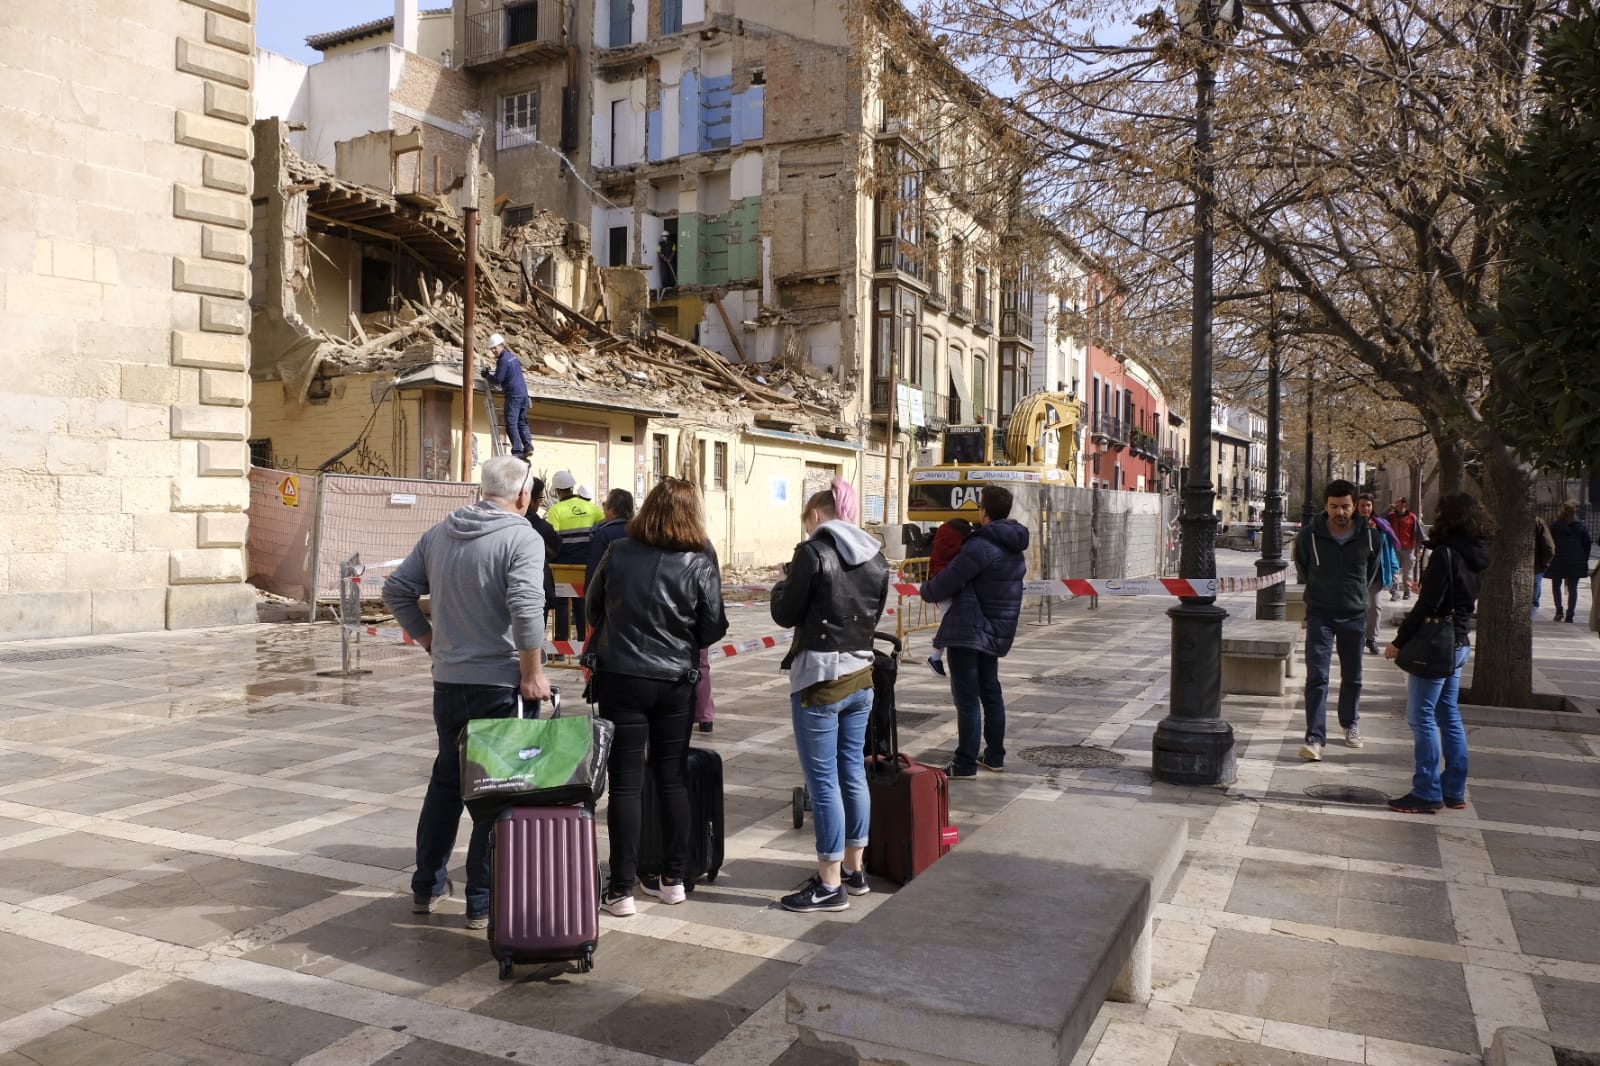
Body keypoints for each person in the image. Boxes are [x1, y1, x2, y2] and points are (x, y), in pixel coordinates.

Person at [382, 455, 551, 929]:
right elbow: (525, 607)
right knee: (496, 791)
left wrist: (431, 639)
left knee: (447, 784)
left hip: (450, 682)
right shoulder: (522, 536)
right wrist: (533, 672)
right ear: (522, 495)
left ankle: (427, 884)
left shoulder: (441, 532)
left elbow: (396, 590)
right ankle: (482, 899)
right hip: (500, 683)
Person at [586, 478, 728, 916]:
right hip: (674, 684)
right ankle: (673, 879)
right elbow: (714, 625)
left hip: (621, 679)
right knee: (672, 779)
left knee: (625, 784)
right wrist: (681, 640)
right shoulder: (699, 561)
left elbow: (593, 607)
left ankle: (622, 888)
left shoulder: (619, 551)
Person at [770, 477, 888, 912]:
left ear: (817, 515)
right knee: (852, 772)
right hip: (862, 674)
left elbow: (786, 614)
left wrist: (783, 583)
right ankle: (855, 872)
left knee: (823, 783)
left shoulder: (813, 553)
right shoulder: (877, 556)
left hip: (819, 680)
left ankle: (828, 882)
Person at [1383, 492, 1492, 813]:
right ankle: (1454, 789)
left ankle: (1427, 791)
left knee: (1421, 717)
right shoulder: (1475, 551)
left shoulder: (1444, 552)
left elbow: (1428, 606)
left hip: (1437, 646)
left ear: (1449, 516)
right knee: (1448, 714)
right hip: (1459, 642)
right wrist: (1429, 585)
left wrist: (1399, 641)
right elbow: (1457, 594)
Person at [920, 486, 1028, 779]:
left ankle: (965, 763)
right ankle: (994, 756)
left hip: (968, 630)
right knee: (991, 692)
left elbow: (949, 580)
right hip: (995, 628)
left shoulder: (980, 545)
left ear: (985, 512)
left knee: (967, 698)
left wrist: (926, 590)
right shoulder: (1014, 547)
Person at [1294, 479, 1381, 761]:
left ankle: (1349, 724)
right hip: (1320, 613)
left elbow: (1371, 573)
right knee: (1317, 675)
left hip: (1354, 614)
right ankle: (1315, 737)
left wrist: (1354, 595)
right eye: (1333, 507)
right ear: (1325, 506)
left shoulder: (1370, 537)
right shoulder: (1308, 536)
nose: (1339, 512)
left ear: (1354, 506)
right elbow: (1304, 569)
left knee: (1353, 675)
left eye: (1345, 506)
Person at [547, 470, 603, 645]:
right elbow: (601, 530)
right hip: (586, 566)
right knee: (581, 604)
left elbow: (554, 539)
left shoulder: (555, 511)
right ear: (572, 487)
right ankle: (582, 643)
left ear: (557, 490)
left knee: (562, 606)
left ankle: (562, 646)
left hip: (563, 567)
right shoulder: (592, 509)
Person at [924, 518, 974, 677]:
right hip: (952, 583)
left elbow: (934, 560)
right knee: (948, 623)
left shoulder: (941, 536)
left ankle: (936, 657)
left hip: (940, 582)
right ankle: (935, 656)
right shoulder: (959, 543)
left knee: (948, 620)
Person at [1358, 494, 1401, 655]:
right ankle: (1358, 638)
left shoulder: (1381, 525)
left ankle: (1371, 638)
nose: (1365, 508)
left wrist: (1394, 568)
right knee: (1358, 608)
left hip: (1377, 573)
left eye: (1368, 505)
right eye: (1362, 505)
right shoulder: (1350, 525)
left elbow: (1389, 549)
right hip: (1357, 574)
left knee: (1375, 607)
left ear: (1372, 507)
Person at [483, 334, 532, 460]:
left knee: (511, 424)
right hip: (524, 395)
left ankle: (517, 451)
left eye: (495, 348)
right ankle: (528, 446)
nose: (493, 351)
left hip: (513, 396)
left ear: (501, 345)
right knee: (521, 422)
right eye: (492, 348)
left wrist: (487, 375)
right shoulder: (512, 357)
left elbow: (498, 379)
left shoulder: (503, 360)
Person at [525, 476, 561, 633]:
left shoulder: (499, 526)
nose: (541, 503)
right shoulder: (543, 528)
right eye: (540, 499)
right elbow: (555, 548)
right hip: (537, 591)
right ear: (529, 499)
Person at [1547, 502, 1593, 623]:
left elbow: (1549, 543)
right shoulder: (1581, 527)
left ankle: (1559, 611)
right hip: (1575, 560)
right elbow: (1587, 544)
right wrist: (1584, 558)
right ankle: (1570, 615)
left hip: (1557, 559)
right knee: (1573, 588)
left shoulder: (1554, 526)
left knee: (1556, 586)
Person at [585, 488, 636, 589]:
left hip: (610, 594)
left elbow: (594, 571)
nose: (603, 509)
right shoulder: (638, 531)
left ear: (612, 510)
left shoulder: (603, 534)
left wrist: (589, 594)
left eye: (605, 505)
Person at [1385, 497, 1424, 600]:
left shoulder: (1412, 517)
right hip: (1393, 548)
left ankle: (1407, 591)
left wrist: (1420, 548)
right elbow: (1379, 518)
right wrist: (1389, 508)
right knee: (1394, 571)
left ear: (1404, 505)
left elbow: (1419, 533)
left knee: (1407, 572)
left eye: (1398, 502)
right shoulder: (1391, 516)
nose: (1396, 504)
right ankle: (1394, 592)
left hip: (1408, 548)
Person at [1532, 515, 1555, 619]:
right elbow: (1549, 548)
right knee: (1534, 597)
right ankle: (1530, 617)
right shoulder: (1538, 522)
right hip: (1536, 566)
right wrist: (1544, 563)